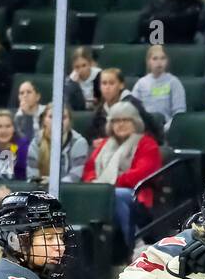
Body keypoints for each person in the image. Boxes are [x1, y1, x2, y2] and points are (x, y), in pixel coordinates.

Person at [83, 101, 162, 252]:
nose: (120, 124)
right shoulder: (104, 144)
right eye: (116, 121)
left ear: (135, 122)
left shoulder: (146, 143)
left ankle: (136, 246)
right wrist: (95, 183)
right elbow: (89, 170)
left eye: (125, 120)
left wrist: (108, 184)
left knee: (118, 194)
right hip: (102, 193)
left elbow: (141, 173)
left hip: (136, 194)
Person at [90, 67, 164, 144]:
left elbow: (148, 133)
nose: (107, 87)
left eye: (111, 83)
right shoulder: (100, 110)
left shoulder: (133, 106)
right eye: (104, 83)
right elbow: (92, 136)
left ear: (121, 85)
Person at [28, 104, 90, 184]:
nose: (57, 121)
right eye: (51, 117)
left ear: (69, 121)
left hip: (69, 192)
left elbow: (75, 176)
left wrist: (51, 182)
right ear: (44, 120)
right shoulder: (36, 142)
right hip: (40, 191)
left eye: (63, 118)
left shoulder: (79, 143)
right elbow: (32, 177)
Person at [131, 45, 186, 127]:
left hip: (167, 128)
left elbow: (179, 112)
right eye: (155, 59)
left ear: (167, 61)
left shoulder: (174, 82)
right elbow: (132, 109)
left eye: (162, 58)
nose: (159, 62)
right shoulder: (141, 83)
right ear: (148, 61)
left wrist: (166, 128)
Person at [137, 0, 204, 44]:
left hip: (181, 45)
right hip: (155, 45)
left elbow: (183, 24)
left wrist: (156, 18)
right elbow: (143, 24)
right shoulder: (156, 0)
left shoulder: (195, 2)